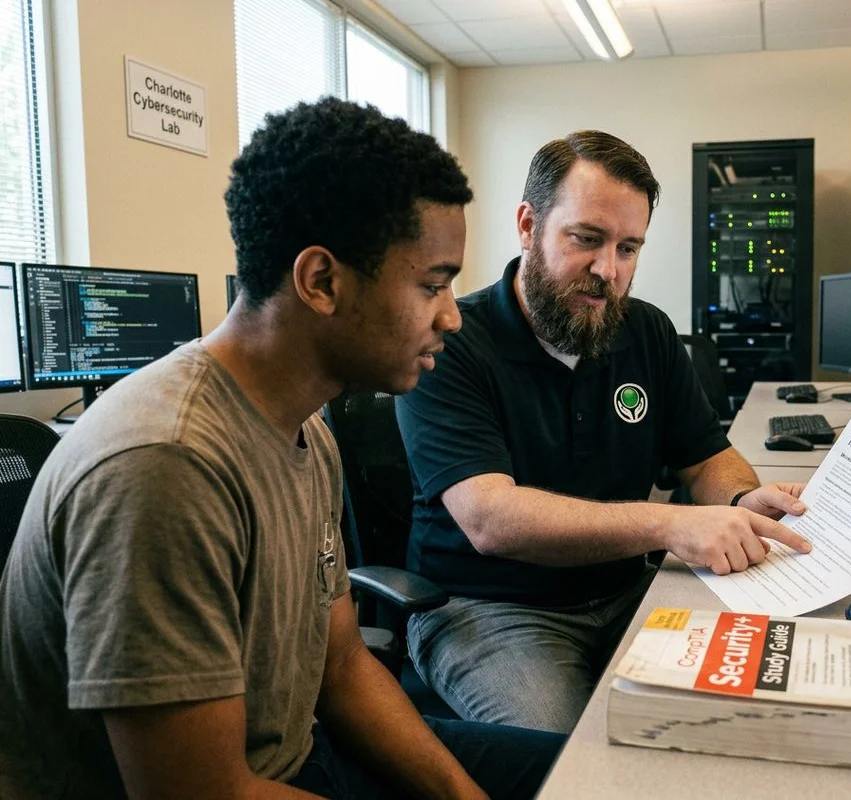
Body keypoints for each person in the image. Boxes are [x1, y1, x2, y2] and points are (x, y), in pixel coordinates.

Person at [0, 98, 562, 800]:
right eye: (431, 285)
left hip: (300, 756)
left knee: (590, 774)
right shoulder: (164, 466)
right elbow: (202, 795)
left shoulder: (306, 430)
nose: (451, 314)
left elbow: (343, 669)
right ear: (321, 281)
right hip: (237, 786)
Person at [396, 130, 813, 735]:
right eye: (587, 239)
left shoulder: (645, 332)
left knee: (737, 719)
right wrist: (669, 524)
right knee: (574, 764)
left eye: (628, 249)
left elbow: (706, 458)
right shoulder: (452, 342)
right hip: (489, 610)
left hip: (628, 594)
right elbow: (491, 519)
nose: (607, 270)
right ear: (527, 225)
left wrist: (739, 500)